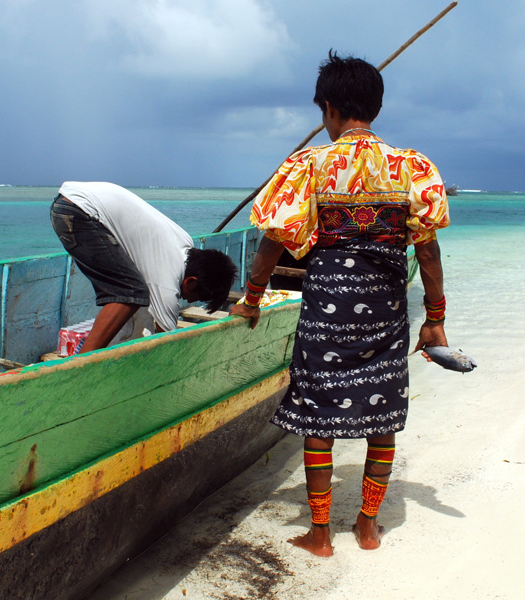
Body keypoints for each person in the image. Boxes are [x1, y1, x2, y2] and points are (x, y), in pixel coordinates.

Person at [230, 51, 451, 556]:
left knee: (317, 416)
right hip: (386, 309)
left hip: (328, 302)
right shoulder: (411, 167)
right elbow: (428, 249)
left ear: (329, 108)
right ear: (375, 106)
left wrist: (252, 298)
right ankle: (369, 526)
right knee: (382, 413)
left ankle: (321, 534)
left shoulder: (310, 163)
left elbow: (273, 239)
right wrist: (435, 319)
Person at [51, 181, 237, 353]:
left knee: (135, 290)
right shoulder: (167, 284)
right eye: (192, 297)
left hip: (75, 201)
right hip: (79, 211)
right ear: (190, 281)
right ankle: (81, 366)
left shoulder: (184, 243)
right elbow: (166, 343)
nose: (186, 301)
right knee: (130, 293)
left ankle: (98, 351)